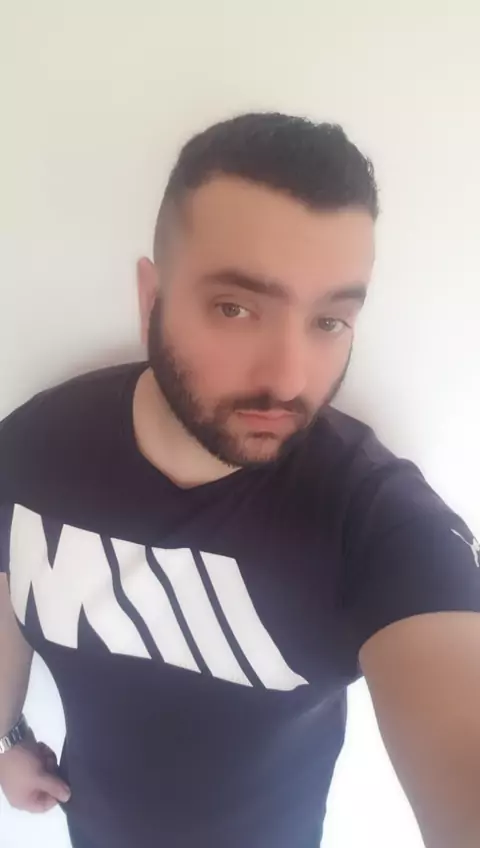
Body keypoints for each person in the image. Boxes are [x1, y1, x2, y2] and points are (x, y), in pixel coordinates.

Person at [0, 112, 479, 848]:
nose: (288, 379)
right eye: (235, 307)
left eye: (329, 321)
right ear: (152, 299)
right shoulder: (34, 446)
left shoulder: (377, 522)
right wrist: (7, 736)